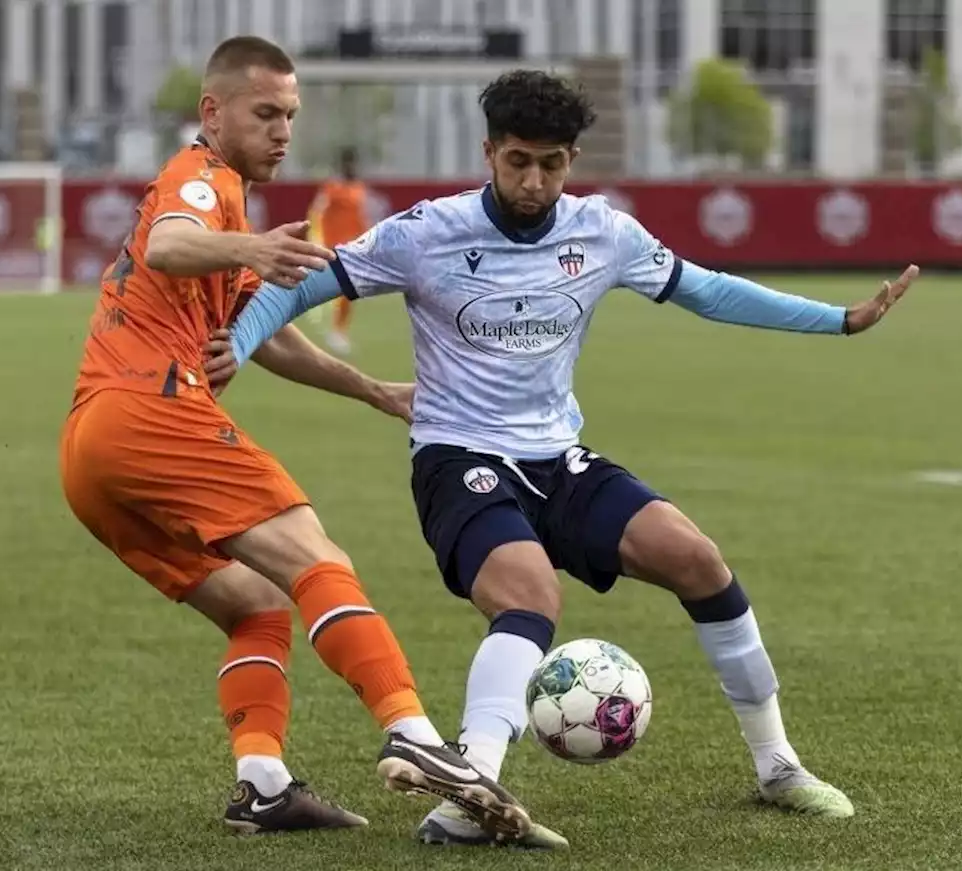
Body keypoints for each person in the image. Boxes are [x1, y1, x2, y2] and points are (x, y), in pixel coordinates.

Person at [221, 69, 919, 848]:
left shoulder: (602, 232)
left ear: (573, 159)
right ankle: (469, 787)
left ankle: (778, 764)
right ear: (488, 152)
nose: (534, 179)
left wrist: (839, 321)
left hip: (559, 460)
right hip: (460, 459)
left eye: (552, 163)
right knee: (531, 592)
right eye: (518, 160)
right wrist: (238, 347)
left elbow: (708, 290)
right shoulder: (425, 232)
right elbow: (296, 289)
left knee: (699, 561)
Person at [58, 36, 533, 839]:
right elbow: (170, 242)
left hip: (91, 452)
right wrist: (255, 245)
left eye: (291, 115)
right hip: (150, 410)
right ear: (214, 112)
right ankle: (416, 734)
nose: (284, 130)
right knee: (318, 560)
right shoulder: (201, 177)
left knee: (260, 604)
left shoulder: (227, 202)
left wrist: (372, 388)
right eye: (266, 113)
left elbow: (266, 335)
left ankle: (264, 782)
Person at [308, 147, 370, 355]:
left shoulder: (359, 189)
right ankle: (336, 331)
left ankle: (337, 330)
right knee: (344, 289)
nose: (352, 167)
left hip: (352, 246)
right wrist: (318, 238)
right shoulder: (332, 188)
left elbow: (360, 217)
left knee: (347, 291)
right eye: (349, 163)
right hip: (333, 246)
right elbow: (317, 212)